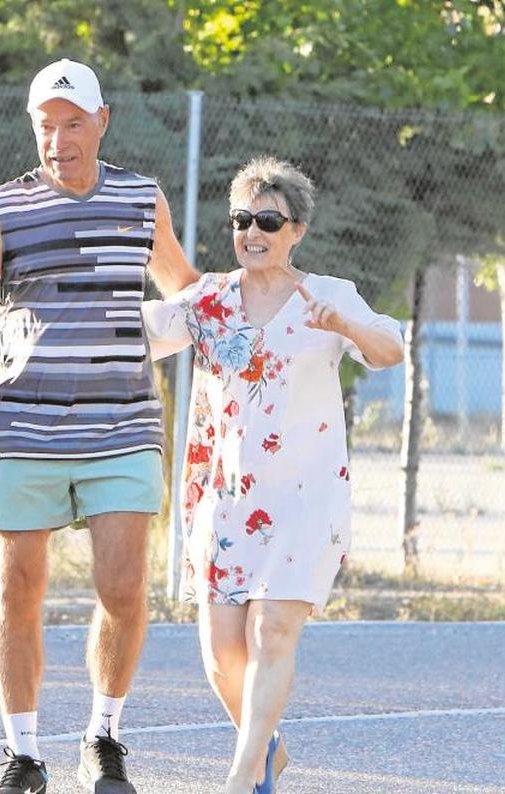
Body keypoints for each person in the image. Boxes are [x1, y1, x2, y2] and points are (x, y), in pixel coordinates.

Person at [0, 58, 198, 794]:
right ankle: (22, 753)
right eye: (46, 126)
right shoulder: (2, 208)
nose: (59, 140)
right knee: (18, 586)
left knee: (122, 589)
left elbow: (186, 290)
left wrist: (245, 309)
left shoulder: (141, 200)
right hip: (23, 428)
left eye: (73, 123)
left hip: (123, 426)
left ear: (102, 121)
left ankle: (103, 737)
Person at [143, 156, 404, 793]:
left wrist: (345, 327)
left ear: (297, 231)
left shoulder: (329, 295)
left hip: (306, 498)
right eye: (242, 219)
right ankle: (266, 749)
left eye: (267, 220)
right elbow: (138, 335)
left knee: (274, 628)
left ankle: (240, 779)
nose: (252, 232)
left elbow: (390, 350)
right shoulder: (208, 300)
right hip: (224, 499)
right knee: (218, 656)